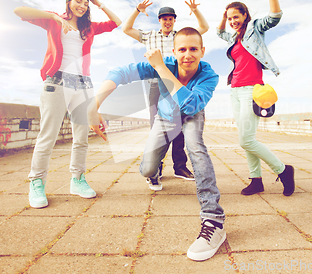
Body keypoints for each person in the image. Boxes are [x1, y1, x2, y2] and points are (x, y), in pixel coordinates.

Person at [89, 27, 226, 261]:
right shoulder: (167, 62)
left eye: (194, 49)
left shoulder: (209, 75)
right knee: (148, 168)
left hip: (192, 114)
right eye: (182, 49)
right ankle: (154, 172)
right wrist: (95, 103)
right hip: (165, 117)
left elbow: (191, 106)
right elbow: (121, 72)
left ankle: (213, 218)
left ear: (203, 51)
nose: (188, 55)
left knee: (194, 145)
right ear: (174, 51)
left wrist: (161, 67)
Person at [14, 0, 122, 208]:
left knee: (81, 138)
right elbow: (19, 11)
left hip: (83, 86)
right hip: (57, 83)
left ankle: (78, 179)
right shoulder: (54, 19)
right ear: (68, 2)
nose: (82, 6)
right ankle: (37, 182)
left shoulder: (89, 27)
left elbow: (116, 23)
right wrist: (55, 18)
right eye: (78, 1)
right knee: (48, 136)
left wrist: (98, 1)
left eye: (85, 2)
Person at [217, 0, 295, 196]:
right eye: (230, 18)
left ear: (245, 16)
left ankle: (283, 170)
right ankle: (256, 180)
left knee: (246, 140)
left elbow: (275, 17)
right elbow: (219, 32)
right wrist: (224, 15)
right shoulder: (233, 37)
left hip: (252, 91)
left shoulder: (254, 29)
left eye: (236, 17)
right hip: (235, 90)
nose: (232, 21)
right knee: (247, 138)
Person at [121, 0, 209, 182]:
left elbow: (204, 28)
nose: (167, 22)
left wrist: (195, 10)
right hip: (156, 84)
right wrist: (138, 10)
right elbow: (126, 29)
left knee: (181, 126)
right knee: (158, 125)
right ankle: (155, 167)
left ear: (174, 20)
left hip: (179, 84)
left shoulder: (181, 36)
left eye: (170, 19)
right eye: (164, 19)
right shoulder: (150, 36)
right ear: (159, 20)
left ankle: (180, 167)